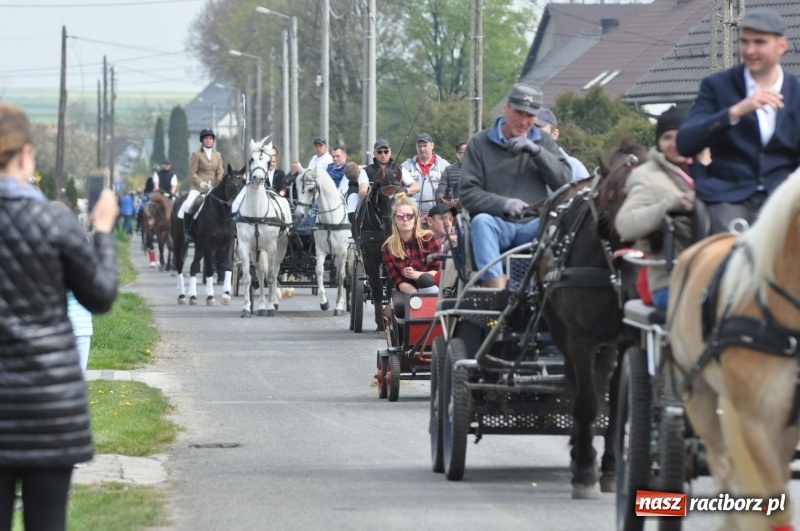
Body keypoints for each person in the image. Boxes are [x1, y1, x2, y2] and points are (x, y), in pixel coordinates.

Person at [0, 102, 118, 531]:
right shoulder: (54, 220)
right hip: (49, 405)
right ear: (26, 155)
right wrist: (102, 231)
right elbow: (100, 296)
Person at [676, 8, 800, 234]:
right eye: (744, 42)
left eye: (759, 42)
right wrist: (734, 112)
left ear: (782, 45)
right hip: (730, 196)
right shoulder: (717, 86)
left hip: (785, 195)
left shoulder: (797, 92)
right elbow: (685, 143)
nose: (750, 50)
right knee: (731, 256)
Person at [460, 83, 571, 289]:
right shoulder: (480, 143)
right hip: (496, 223)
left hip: (533, 225)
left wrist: (538, 153)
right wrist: (503, 204)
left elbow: (565, 182)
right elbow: (467, 193)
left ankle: (544, 287)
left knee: (555, 226)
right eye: (519, 113)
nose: (523, 121)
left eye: (530, 116)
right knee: (481, 222)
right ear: (506, 109)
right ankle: (496, 289)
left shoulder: (544, 142)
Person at [615, 106, 698, 309]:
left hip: (717, 272)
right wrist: (672, 204)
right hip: (671, 281)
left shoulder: (713, 167)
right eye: (667, 137)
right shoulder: (646, 176)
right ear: (659, 142)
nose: (674, 143)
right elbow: (625, 225)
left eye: (681, 135)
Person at [381, 193, 441, 324]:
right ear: (394, 220)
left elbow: (438, 271)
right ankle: (405, 338)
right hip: (405, 290)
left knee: (425, 279)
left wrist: (416, 275)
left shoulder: (429, 238)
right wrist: (415, 295)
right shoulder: (388, 247)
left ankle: (433, 323)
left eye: (409, 216)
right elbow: (397, 281)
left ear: (415, 219)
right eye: (400, 216)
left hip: (430, 286)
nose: (405, 219)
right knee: (402, 307)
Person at [177, 129, 224, 239]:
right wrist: (200, 183)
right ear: (202, 140)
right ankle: (187, 231)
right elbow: (192, 172)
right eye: (206, 138)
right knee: (188, 205)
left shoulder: (217, 155)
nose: (208, 141)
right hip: (198, 187)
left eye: (210, 139)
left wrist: (219, 180)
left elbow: (220, 170)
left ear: (213, 141)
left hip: (214, 187)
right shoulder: (196, 154)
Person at [533, 108, 591, 181]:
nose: (532, 132)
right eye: (531, 127)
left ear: (555, 134)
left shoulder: (575, 167)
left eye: (538, 127)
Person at [401, 133, 449, 215]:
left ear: (432, 145)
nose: (422, 148)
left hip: (437, 215)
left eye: (425, 145)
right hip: (412, 215)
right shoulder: (405, 166)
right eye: (419, 146)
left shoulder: (444, 165)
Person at [435, 141, 466, 210]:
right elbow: (441, 189)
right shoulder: (448, 170)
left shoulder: (478, 170)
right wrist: (441, 199)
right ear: (458, 155)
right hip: (452, 209)